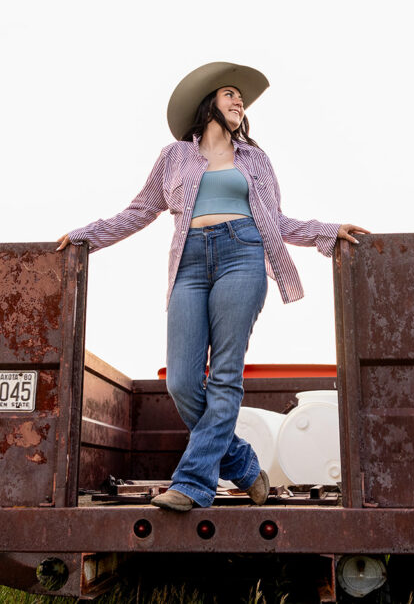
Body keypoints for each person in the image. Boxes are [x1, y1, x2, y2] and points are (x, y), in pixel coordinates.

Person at [57, 62, 368, 512]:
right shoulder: (174, 156)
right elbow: (139, 211)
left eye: (241, 98)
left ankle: (192, 484)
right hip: (189, 262)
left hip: (243, 254)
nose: (239, 101)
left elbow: (276, 221)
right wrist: (88, 236)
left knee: (224, 376)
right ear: (207, 105)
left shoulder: (255, 160)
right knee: (182, 380)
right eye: (230, 94)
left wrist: (328, 230)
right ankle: (242, 464)